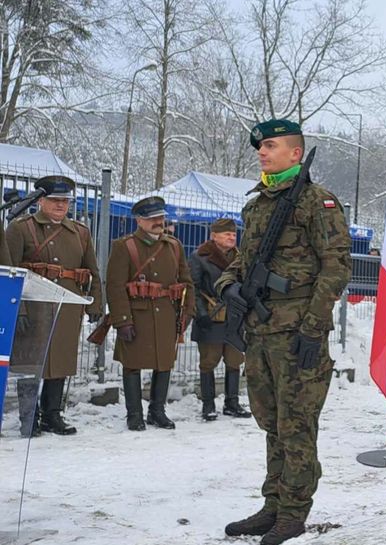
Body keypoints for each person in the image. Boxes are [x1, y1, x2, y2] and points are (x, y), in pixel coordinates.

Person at [217, 119, 350, 545]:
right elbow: (243, 261)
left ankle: (293, 513)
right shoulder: (256, 205)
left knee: (297, 426)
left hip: (297, 335)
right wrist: (228, 286)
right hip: (260, 332)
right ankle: (273, 505)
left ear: (295, 153)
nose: (262, 152)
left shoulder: (316, 202)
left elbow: (336, 268)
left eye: (271, 145)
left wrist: (313, 329)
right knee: (271, 424)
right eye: (261, 147)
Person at [5, 176, 103, 436]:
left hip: (66, 305)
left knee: (60, 359)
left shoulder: (80, 232)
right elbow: (9, 271)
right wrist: (17, 310)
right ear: (41, 201)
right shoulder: (20, 228)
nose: (61, 205)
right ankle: (30, 417)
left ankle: (52, 414)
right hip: (33, 306)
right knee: (29, 364)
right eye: (55, 200)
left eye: (66, 201)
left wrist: (96, 302)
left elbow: (92, 269)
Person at [105, 196, 194, 431]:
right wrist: (122, 320)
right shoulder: (125, 246)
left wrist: (188, 311)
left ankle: (157, 411)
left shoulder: (174, 246)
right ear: (139, 220)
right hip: (137, 315)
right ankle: (134, 414)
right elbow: (115, 286)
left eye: (161, 217)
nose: (159, 222)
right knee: (132, 364)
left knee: (164, 363)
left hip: (167, 314)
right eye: (153, 218)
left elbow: (186, 281)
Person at [189, 217, 251, 421]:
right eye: (227, 234)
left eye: (234, 234)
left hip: (235, 316)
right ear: (214, 236)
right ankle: (208, 404)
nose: (232, 237)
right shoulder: (199, 257)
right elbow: (193, 288)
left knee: (234, 360)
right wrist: (200, 313)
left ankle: (232, 403)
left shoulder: (241, 257)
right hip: (211, 316)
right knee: (209, 361)